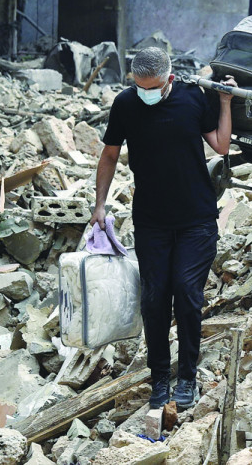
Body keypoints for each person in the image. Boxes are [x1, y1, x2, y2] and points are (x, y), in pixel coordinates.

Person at [91, 48, 234, 410]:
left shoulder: (191, 97)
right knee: (154, 300)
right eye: (140, 87)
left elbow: (220, 144)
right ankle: (159, 379)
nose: (146, 94)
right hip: (151, 220)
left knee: (186, 293)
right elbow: (109, 155)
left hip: (196, 218)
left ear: (169, 79)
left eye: (152, 87)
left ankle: (187, 375)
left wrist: (225, 102)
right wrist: (100, 205)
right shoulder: (126, 104)